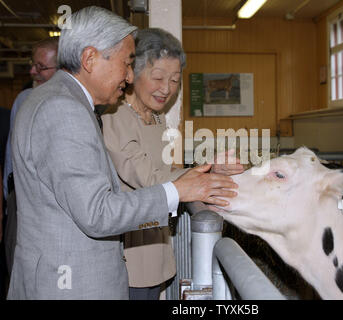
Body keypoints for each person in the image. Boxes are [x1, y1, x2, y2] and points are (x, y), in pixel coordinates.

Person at [7, 6, 237, 300]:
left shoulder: (56, 99)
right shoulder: (63, 110)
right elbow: (98, 213)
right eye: (126, 63)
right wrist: (180, 191)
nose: (128, 76)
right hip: (72, 284)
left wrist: (200, 175)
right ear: (90, 58)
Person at [102, 28, 244, 300]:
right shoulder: (115, 117)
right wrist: (203, 179)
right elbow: (150, 179)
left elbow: (166, 174)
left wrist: (210, 169)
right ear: (132, 73)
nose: (166, 88)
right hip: (129, 262)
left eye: (175, 80)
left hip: (156, 255)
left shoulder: (156, 119)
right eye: (157, 77)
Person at [3, 37, 58, 199]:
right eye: (33, 64)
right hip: (25, 197)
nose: (32, 72)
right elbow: (11, 155)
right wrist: (9, 195)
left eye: (41, 67)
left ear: (62, 70)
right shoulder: (23, 100)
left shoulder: (78, 104)